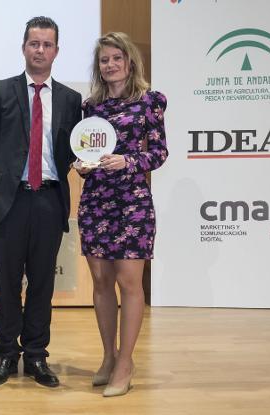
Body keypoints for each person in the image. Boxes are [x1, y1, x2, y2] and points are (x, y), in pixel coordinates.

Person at [0, 16, 82, 388]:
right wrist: (7, 177)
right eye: (34, 43)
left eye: (47, 44)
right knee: (7, 283)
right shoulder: (1, 90)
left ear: (56, 50)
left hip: (50, 200)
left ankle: (36, 356)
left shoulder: (70, 99)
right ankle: (5, 354)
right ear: (24, 47)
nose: (40, 50)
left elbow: (71, 150)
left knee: (41, 283)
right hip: (10, 202)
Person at [73, 32, 168, 397]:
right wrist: (82, 166)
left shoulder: (150, 102)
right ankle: (108, 357)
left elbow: (158, 154)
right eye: (103, 60)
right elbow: (84, 151)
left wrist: (128, 160)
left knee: (129, 284)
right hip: (96, 200)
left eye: (116, 58)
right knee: (100, 284)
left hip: (133, 203)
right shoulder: (91, 107)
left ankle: (126, 363)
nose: (110, 65)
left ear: (130, 62)